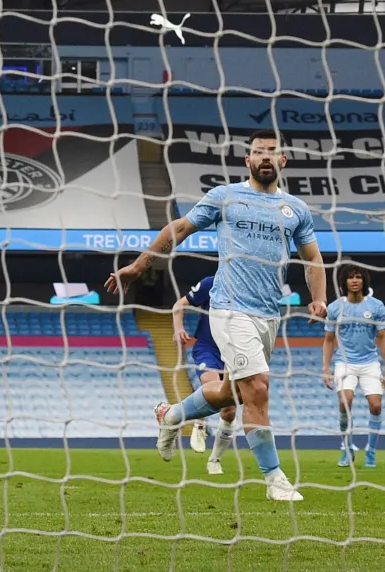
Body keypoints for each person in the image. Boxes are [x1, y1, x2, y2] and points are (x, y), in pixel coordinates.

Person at [107, 129, 326, 502]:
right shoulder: (225, 197)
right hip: (228, 308)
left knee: (231, 394)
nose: (266, 157)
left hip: (267, 314)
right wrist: (139, 265)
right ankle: (275, 480)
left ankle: (173, 415)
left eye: (273, 152)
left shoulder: (296, 210)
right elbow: (179, 228)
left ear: (283, 161)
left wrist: (319, 299)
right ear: (248, 159)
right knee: (257, 387)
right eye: (259, 152)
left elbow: (313, 259)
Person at [323, 264, 385, 468]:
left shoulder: (376, 306)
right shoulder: (335, 307)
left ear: (364, 281)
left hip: (370, 363)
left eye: (358, 277)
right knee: (345, 401)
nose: (355, 281)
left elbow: (383, 338)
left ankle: (371, 452)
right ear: (344, 282)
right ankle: (347, 449)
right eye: (351, 277)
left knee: (376, 405)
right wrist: (325, 369)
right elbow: (328, 340)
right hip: (344, 362)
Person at [171, 274, 239, 475]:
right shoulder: (211, 283)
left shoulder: (251, 287)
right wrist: (179, 328)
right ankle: (200, 422)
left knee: (229, 412)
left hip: (235, 352)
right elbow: (179, 305)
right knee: (211, 385)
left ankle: (215, 459)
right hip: (208, 348)